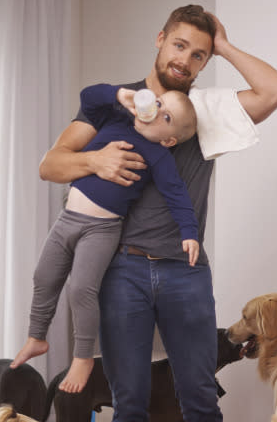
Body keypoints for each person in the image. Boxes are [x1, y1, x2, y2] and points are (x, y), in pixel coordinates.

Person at [39, 5, 277, 422]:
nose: (186, 59)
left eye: (198, 53)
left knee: (199, 397)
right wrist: (96, 161)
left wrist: (224, 47)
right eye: (180, 46)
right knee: (128, 402)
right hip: (121, 270)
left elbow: (275, 89)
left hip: (185, 272)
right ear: (160, 39)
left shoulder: (210, 108)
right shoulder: (114, 102)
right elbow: (51, 162)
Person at [11, 83, 200, 393]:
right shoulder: (118, 118)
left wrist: (189, 233)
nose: (156, 111)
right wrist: (119, 94)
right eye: (159, 102)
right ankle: (36, 337)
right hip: (66, 220)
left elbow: (176, 194)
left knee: (80, 289)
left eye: (166, 116)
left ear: (168, 140)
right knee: (43, 276)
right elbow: (88, 97)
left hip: (102, 229)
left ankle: (83, 356)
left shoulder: (158, 154)